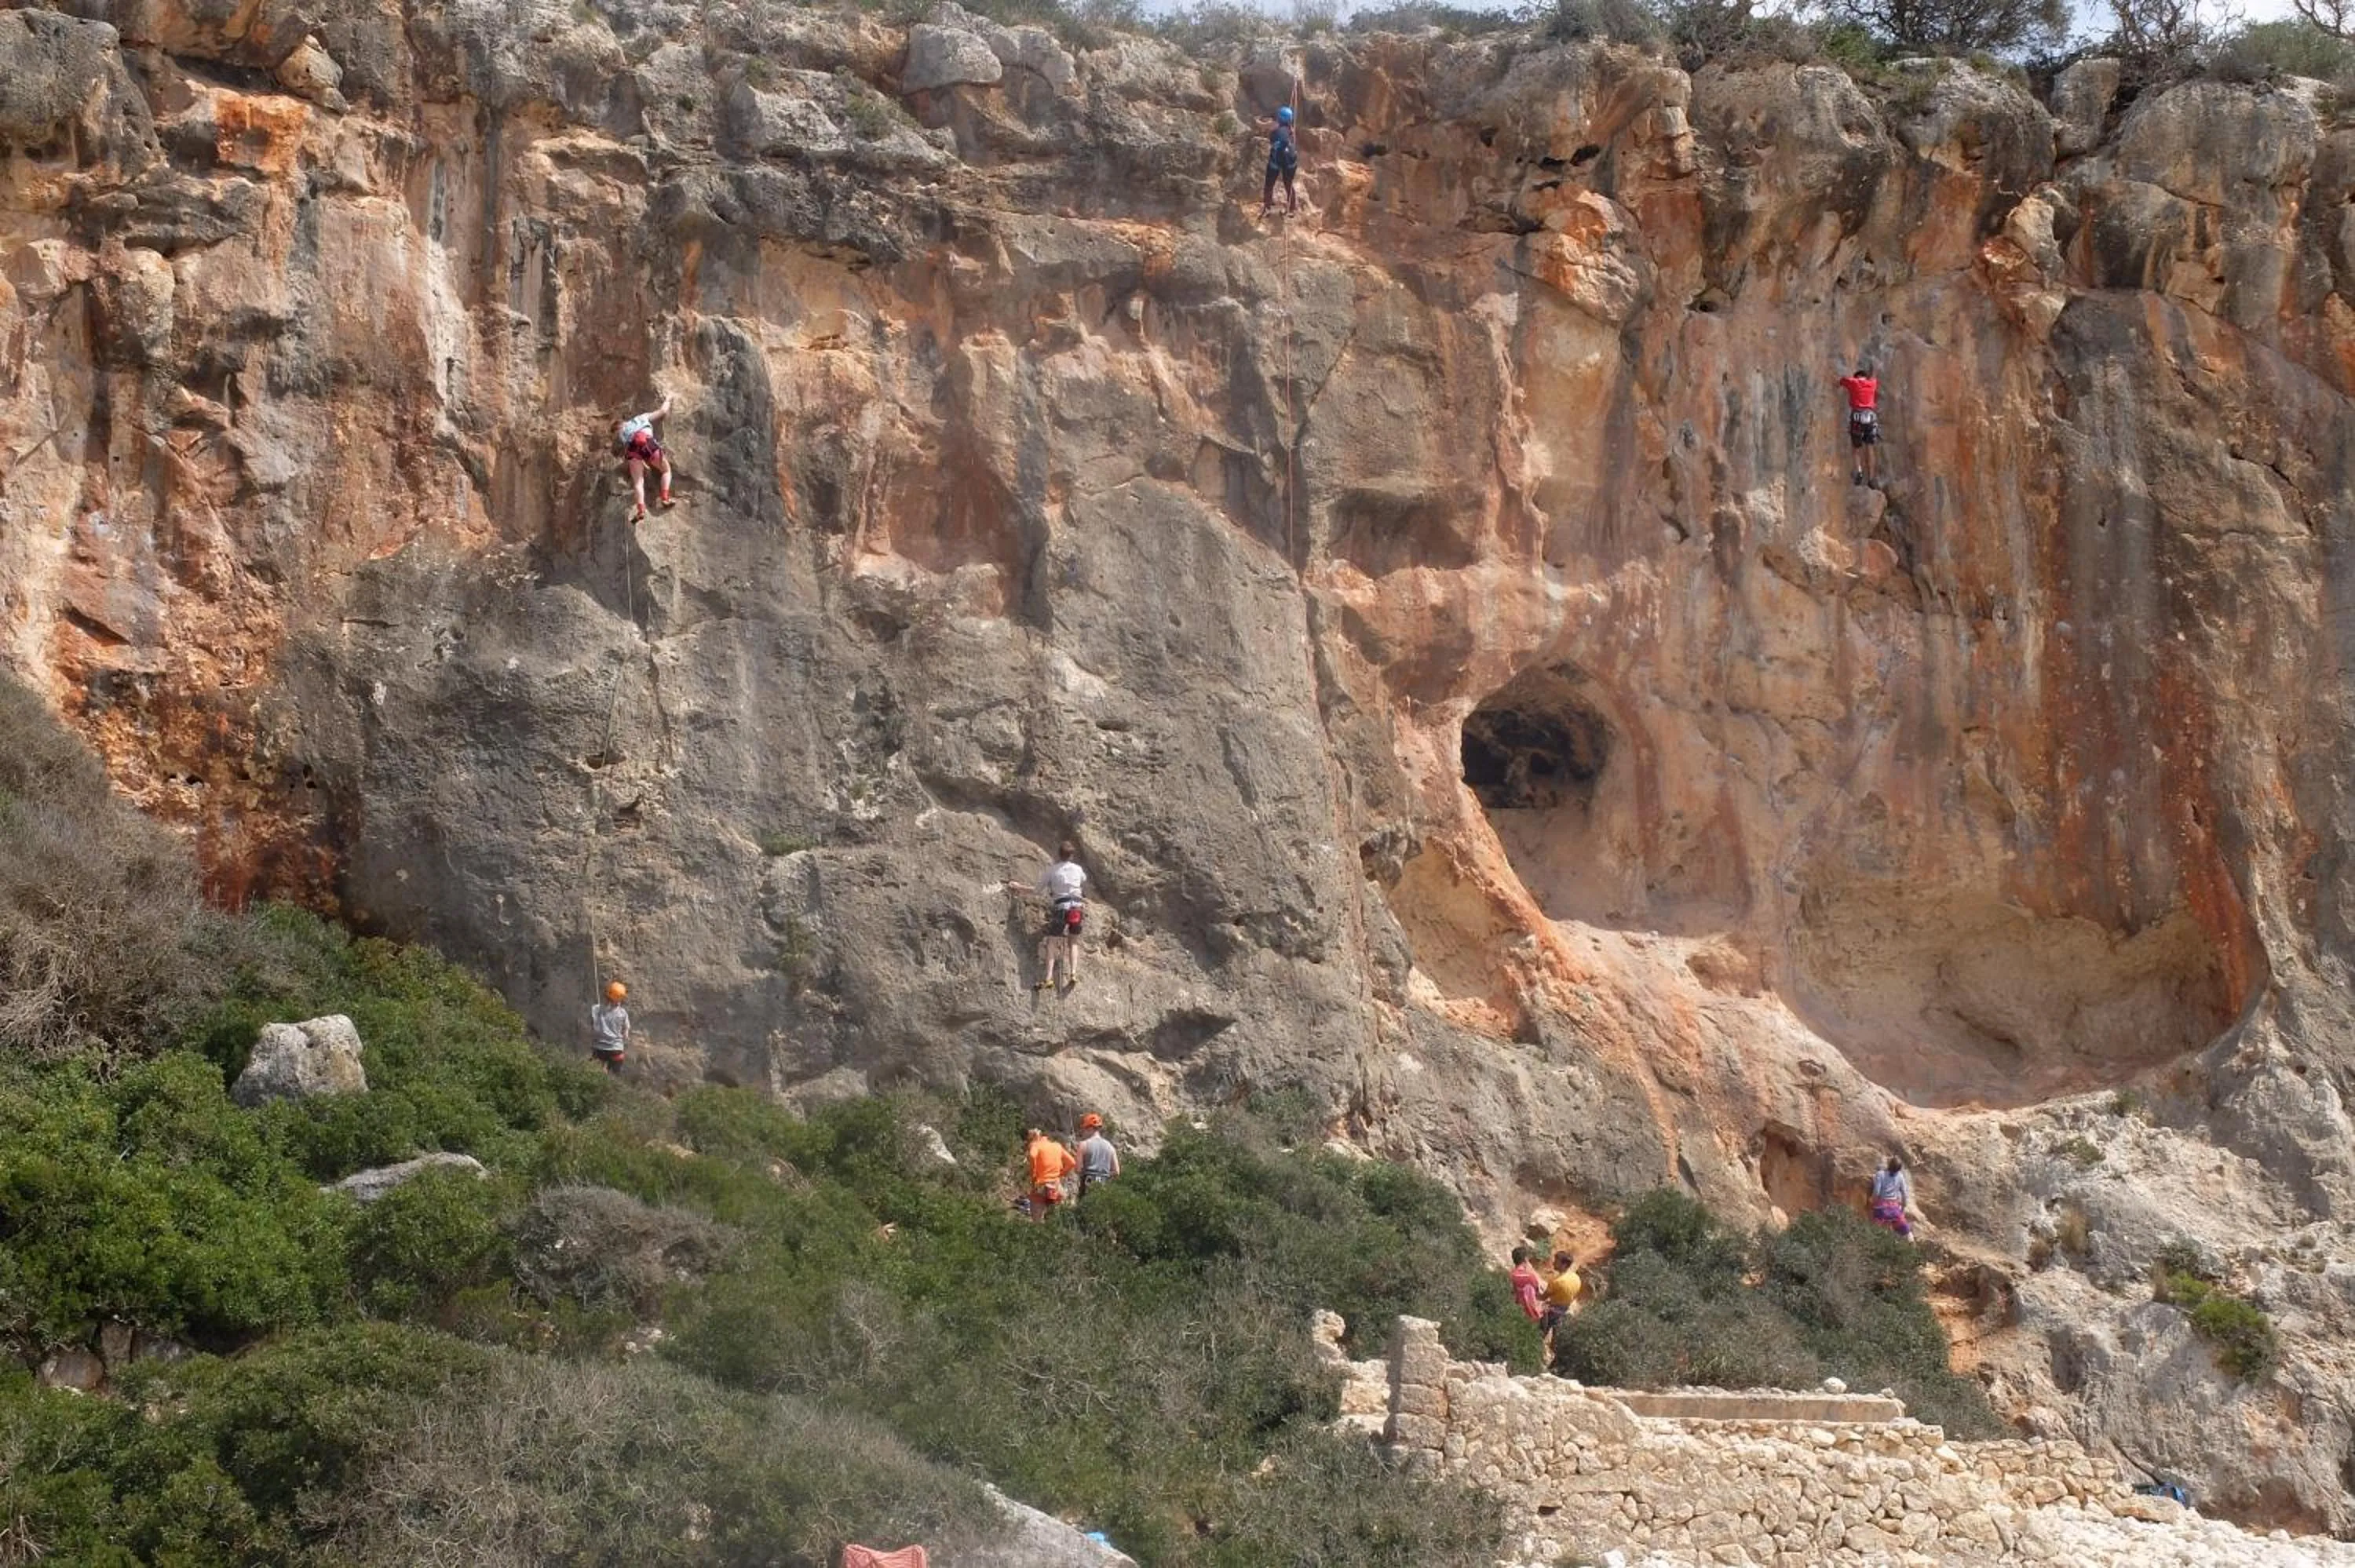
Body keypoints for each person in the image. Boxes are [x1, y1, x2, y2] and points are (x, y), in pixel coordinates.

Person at [1006, 841, 1087, 992]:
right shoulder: (1078, 869)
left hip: (1061, 907)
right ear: (1072, 855)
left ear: (1059, 854)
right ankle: (1073, 973)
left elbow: (1037, 890)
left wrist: (1019, 887)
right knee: (1073, 942)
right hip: (1077, 907)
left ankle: (1049, 978)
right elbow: (1083, 880)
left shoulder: (1052, 870)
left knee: (1051, 942)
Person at [612, 392, 675, 520]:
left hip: (633, 452)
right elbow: (662, 412)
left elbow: (621, 447)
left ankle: (641, 510)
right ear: (623, 422)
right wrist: (668, 399)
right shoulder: (640, 418)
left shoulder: (621, 435)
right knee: (666, 470)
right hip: (648, 444)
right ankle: (665, 498)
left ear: (617, 429)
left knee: (638, 482)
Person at [1837, 363, 1880, 487]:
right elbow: (1874, 376)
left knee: (1856, 447)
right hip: (1870, 418)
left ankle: (1859, 471)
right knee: (1870, 448)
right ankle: (1871, 478)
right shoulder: (1872, 384)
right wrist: (1874, 368)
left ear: (1856, 377)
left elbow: (1840, 380)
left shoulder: (1853, 382)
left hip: (1857, 418)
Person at [1024, 1126, 1077, 1220]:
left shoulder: (1035, 1145)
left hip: (1040, 1186)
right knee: (1058, 1218)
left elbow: (1032, 1155)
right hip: (1056, 1186)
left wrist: (1033, 1175)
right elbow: (1072, 1163)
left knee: (1038, 1222)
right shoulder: (1057, 1146)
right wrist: (1060, 1174)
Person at [1261, 104, 1300, 218]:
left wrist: (1256, 120)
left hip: (1277, 159)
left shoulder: (1275, 125)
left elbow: (1262, 126)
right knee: (1288, 184)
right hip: (1290, 161)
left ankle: (1267, 209)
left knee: (1269, 185)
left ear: (1280, 117)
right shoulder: (1290, 129)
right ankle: (1291, 210)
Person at [1539, 1250, 1583, 1343]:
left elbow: (1542, 1297)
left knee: (1540, 1331)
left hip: (1553, 1312)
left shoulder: (1557, 1282)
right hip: (1565, 1309)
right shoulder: (1576, 1278)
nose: (1553, 1263)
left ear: (1564, 1265)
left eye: (1556, 1261)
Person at [1869, 1155, 1915, 1239]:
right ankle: (1912, 1247)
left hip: (1881, 1210)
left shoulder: (1880, 1174)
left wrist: (1871, 1202)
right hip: (1894, 1210)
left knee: (1873, 1232)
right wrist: (1902, 1209)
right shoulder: (1900, 1176)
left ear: (1889, 1164)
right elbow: (1905, 1193)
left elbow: (1876, 1192)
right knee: (1907, 1233)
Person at [590, 979, 630, 1074]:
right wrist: (626, 1035)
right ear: (620, 998)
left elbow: (593, 1025)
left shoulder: (596, 1009)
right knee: (615, 1077)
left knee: (595, 1076)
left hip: (600, 1048)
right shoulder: (623, 1013)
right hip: (617, 1049)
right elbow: (626, 1031)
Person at [1076, 1113, 1120, 1198]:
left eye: (1084, 1129)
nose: (1083, 1132)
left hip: (1087, 1183)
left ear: (1090, 1128)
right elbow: (1116, 1172)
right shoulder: (1110, 1147)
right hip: (1104, 1184)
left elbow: (1078, 1169)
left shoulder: (1083, 1145)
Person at [1509, 1246, 1546, 1325]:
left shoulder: (1511, 1275)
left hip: (1517, 1312)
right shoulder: (1530, 1277)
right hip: (1531, 1314)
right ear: (1526, 1259)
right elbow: (1538, 1294)